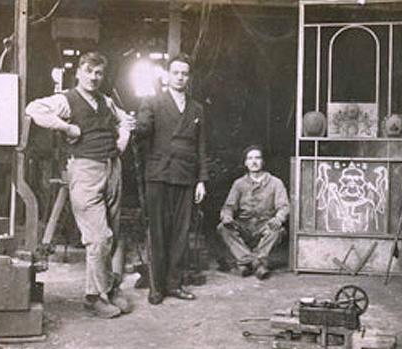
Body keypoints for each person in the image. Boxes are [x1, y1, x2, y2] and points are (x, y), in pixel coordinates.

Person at [25, 51, 135, 318]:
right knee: (99, 237)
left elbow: (126, 120)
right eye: (89, 71)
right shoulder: (66, 99)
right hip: (85, 169)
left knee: (114, 235)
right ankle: (93, 297)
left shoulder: (105, 101)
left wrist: (123, 138)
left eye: (98, 72)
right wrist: (66, 128)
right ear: (78, 72)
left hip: (112, 168)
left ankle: (110, 288)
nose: (94, 77)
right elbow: (33, 109)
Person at [135, 53, 208, 305]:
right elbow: (143, 130)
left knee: (181, 233)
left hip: (186, 176)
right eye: (176, 72)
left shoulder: (197, 108)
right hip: (159, 175)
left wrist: (201, 180)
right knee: (157, 232)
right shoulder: (152, 102)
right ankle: (156, 288)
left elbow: (201, 146)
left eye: (184, 73)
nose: (180, 77)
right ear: (168, 75)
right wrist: (134, 126)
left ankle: (174, 284)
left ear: (189, 77)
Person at [217, 145, 289, 280]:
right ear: (245, 163)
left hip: (264, 225)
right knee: (222, 228)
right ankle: (256, 262)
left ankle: (246, 262)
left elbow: (284, 206)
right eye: (250, 158)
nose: (254, 161)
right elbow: (229, 206)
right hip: (244, 226)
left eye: (257, 158)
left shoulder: (275, 183)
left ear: (263, 161)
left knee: (278, 230)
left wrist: (278, 219)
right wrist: (227, 217)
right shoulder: (239, 184)